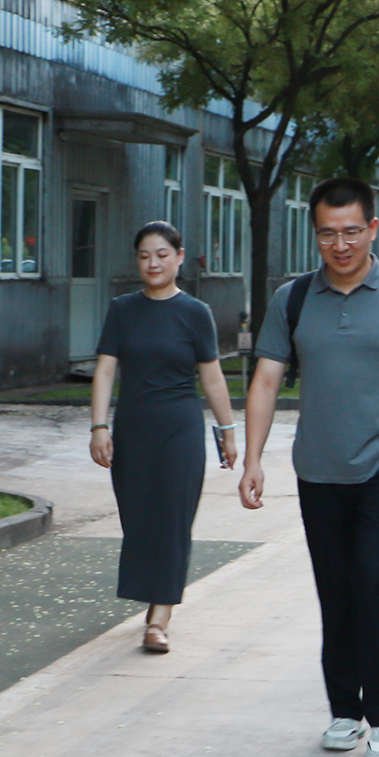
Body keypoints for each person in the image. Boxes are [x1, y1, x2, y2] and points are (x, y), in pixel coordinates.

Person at [240, 177, 379, 757]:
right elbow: (266, 380)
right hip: (318, 468)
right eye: (328, 234)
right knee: (334, 590)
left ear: (374, 229)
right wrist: (253, 458)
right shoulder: (293, 299)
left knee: (371, 579)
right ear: (315, 234)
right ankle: (344, 709)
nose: (340, 245)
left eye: (352, 232)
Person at [88, 221, 238, 654]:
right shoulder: (122, 310)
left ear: (179, 257)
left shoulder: (195, 312)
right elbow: (105, 371)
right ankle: (152, 595)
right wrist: (99, 426)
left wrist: (228, 432)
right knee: (140, 519)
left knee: (172, 519)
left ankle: (159, 617)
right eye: (144, 256)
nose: (153, 263)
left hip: (180, 429)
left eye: (161, 254)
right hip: (133, 429)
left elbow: (212, 378)